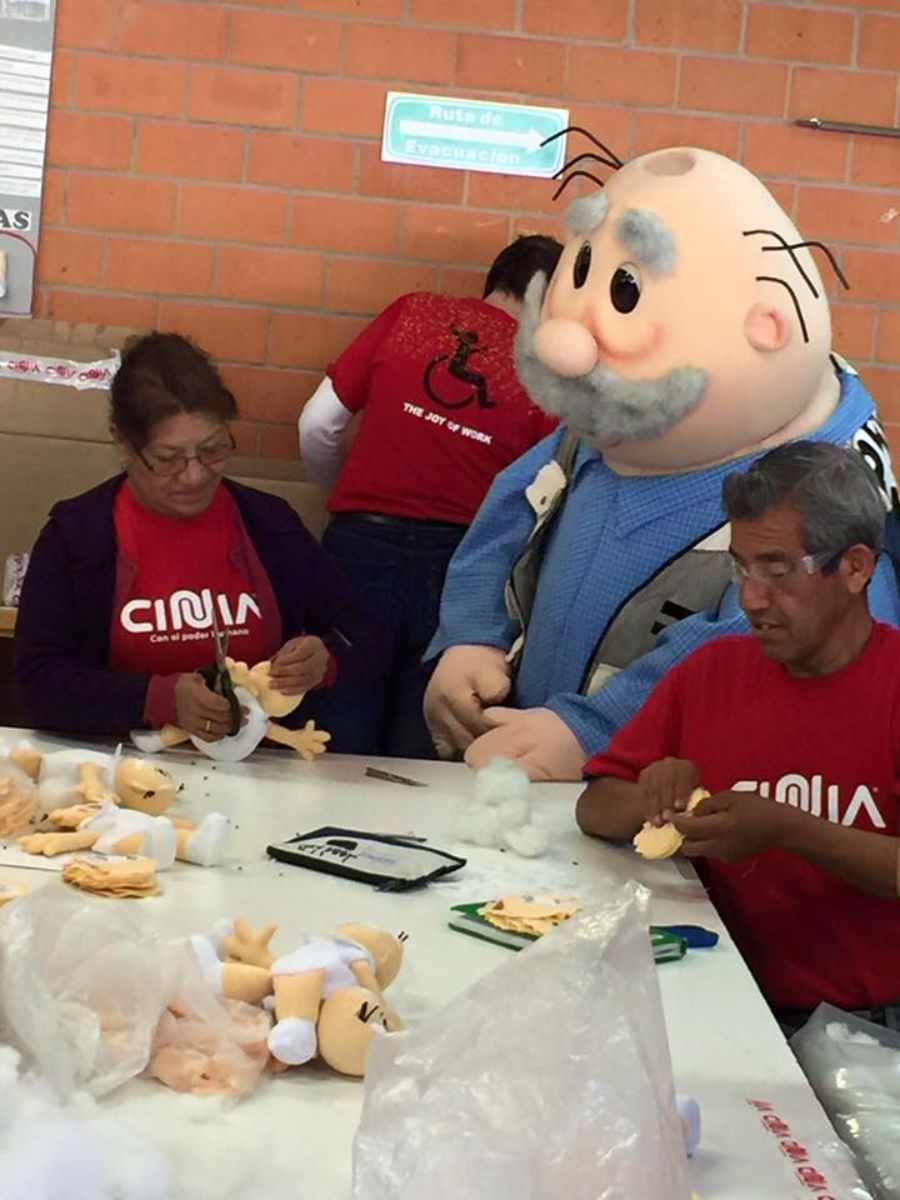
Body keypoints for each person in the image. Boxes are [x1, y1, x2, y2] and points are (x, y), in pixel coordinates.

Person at [424, 141, 900, 782]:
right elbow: (508, 517)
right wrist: (470, 634)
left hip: (673, 812)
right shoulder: (600, 434)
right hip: (538, 785)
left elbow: (760, 645)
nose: (564, 345)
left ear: (768, 326)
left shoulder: (824, 500)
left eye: (624, 290)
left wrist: (592, 727)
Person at [576, 442, 900, 1035]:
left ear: (855, 568)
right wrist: (657, 800)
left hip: (867, 1037)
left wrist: (786, 830)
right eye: (741, 568)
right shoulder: (712, 671)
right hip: (709, 1002)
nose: (751, 598)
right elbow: (596, 806)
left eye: (778, 570)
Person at [15, 332, 380, 744]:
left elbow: (365, 632)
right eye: (168, 459)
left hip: (259, 770)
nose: (195, 475)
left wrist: (326, 659)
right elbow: (38, 681)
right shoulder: (77, 536)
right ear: (122, 441)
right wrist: (156, 698)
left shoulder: (269, 525)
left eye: (213, 450)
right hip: (123, 775)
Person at [298, 235, 563, 758]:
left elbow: (317, 424)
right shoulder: (545, 371)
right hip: (463, 568)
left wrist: (348, 498)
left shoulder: (412, 313)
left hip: (360, 544)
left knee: (332, 724)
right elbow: (546, 500)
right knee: (424, 739)